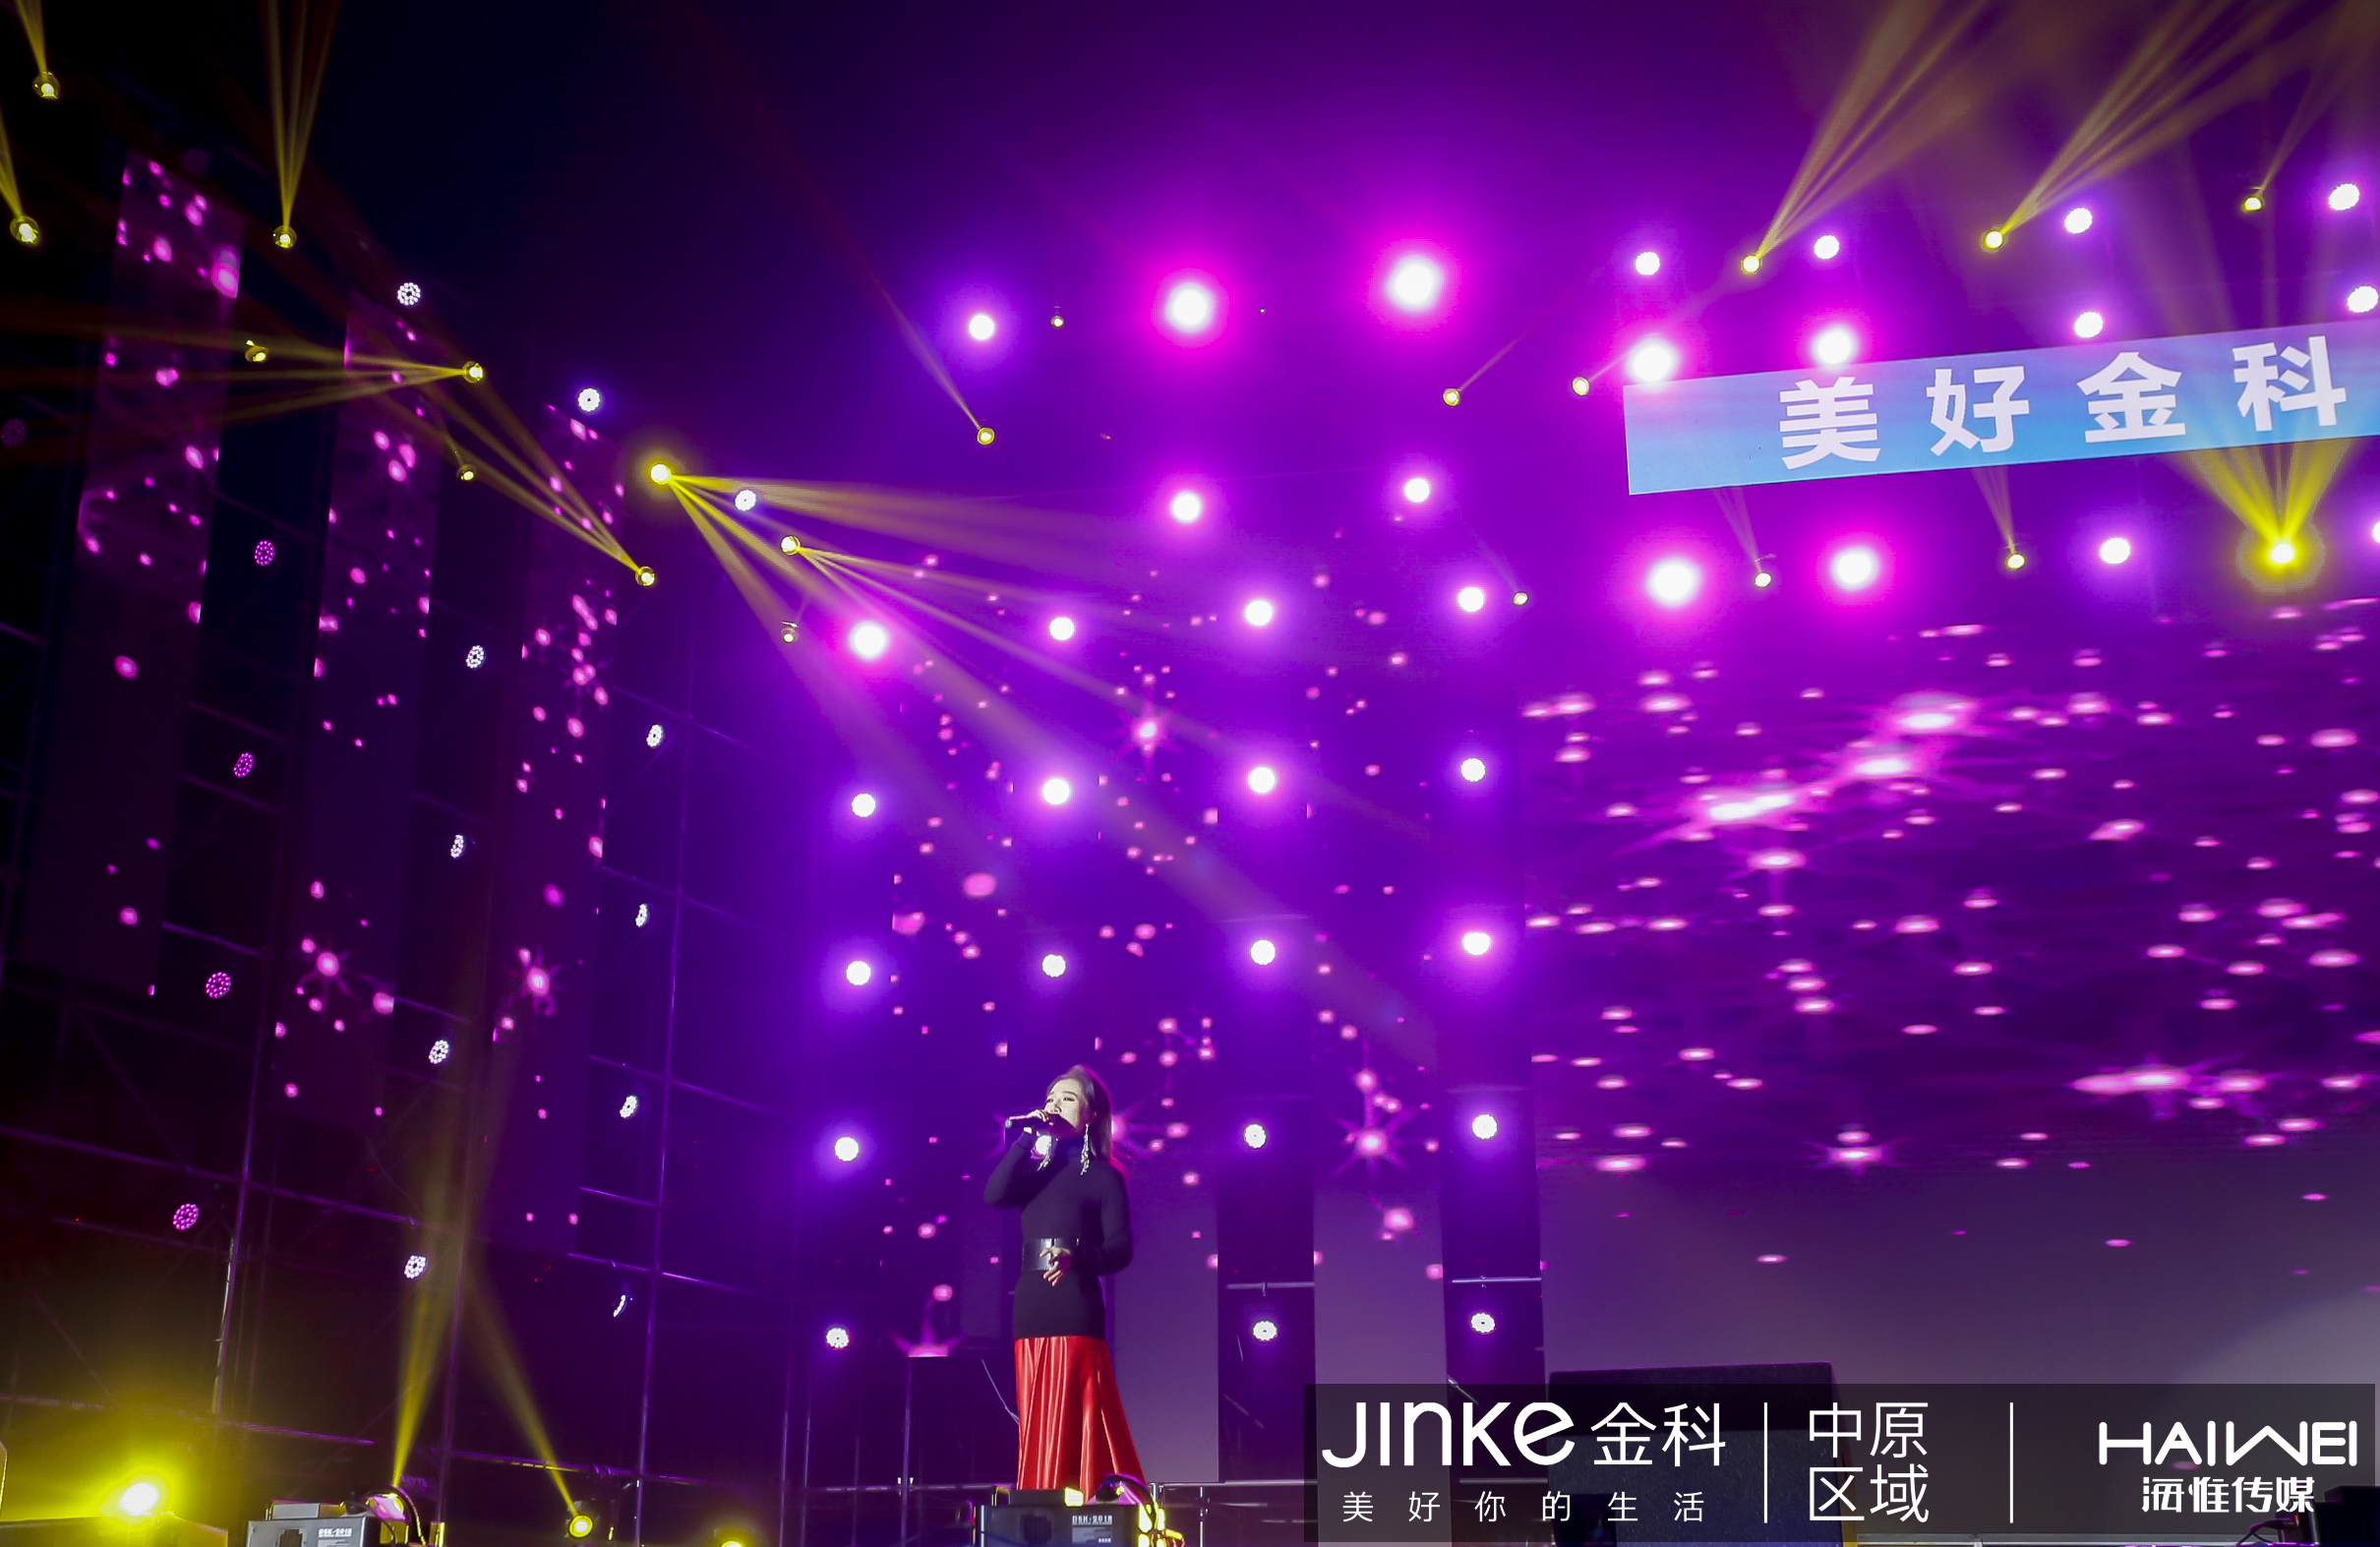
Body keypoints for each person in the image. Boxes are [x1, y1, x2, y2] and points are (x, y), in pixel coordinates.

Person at [983, 1063, 1145, 1497]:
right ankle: (1040, 1506)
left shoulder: (1105, 1177)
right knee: (1037, 1417)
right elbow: (994, 1195)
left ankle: (1090, 1505)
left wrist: (1076, 1257)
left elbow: (1120, 1249)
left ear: (1091, 1115)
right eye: (1051, 1099)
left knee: (1076, 1416)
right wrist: (1026, 1138)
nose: (1055, 1106)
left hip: (1074, 1304)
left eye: (1067, 1099)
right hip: (1031, 1304)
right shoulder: (1036, 1173)